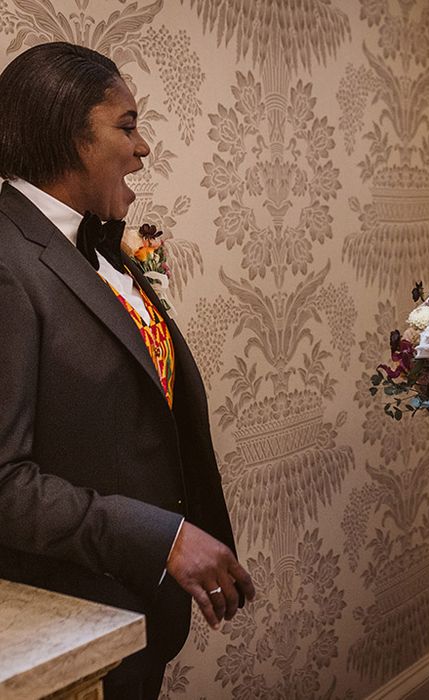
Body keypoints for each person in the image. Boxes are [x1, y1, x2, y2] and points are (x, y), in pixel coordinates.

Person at [0, 42, 255, 699]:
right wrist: (163, 538)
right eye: (127, 125)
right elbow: (4, 484)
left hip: (143, 610)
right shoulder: (7, 264)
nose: (143, 149)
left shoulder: (100, 245)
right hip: (75, 623)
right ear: (68, 134)